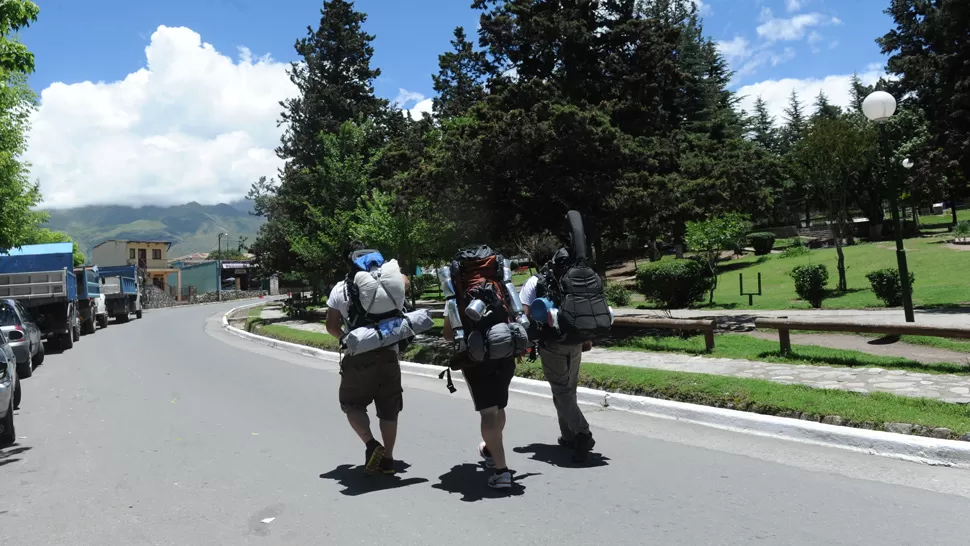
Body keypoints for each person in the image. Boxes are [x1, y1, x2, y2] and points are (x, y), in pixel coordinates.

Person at [325, 246, 411, 475]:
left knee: (352, 404)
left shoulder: (341, 289)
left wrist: (347, 339)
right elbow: (406, 282)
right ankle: (388, 460)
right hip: (389, 353)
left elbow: (331, 326)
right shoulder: (394, 281)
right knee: (389, 409)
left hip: (358, 356)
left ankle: (371, 444)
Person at [519, 253, 596, 464]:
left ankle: (582, 433)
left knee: (561, 391)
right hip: (576, 342)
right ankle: (568, 436)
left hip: (552, 344)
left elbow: (525, 313)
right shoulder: (579, 281)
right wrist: (586, 338)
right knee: (569, 391)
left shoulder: (534, 281)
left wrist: (528, 342)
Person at [442, 319, 515, 490]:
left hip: (477, 358)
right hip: (505, 352)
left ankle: (502, 471)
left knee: (488, 412)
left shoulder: (456, 301)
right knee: (499, 407)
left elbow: (448, 335)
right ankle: (491, 451)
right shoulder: (498, 298)